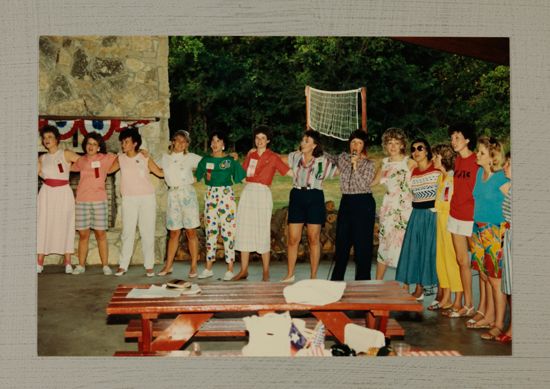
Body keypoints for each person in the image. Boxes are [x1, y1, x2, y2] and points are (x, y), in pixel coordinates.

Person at [232, 125, 291, 281]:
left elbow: (288, 172)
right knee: (244, 230)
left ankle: (266, 272)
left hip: (263, 194)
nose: (260, 141)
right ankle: (243, 270)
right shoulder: (250, 156)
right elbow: (242, 177)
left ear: (268, 140)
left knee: (262, 230)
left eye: (263, 138)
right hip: (248, 193)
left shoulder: (273, 157)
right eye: (257, 138)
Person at [281, 129, 337, 282]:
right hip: (297, 195)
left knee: (314, 238)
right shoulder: (294, 156)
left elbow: (338, 170)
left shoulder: (323, 160)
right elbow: (277, 159)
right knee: (293, 238)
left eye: (307, 141)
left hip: (315, 197)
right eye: (303, 139)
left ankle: (313, 276)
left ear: (314, 145)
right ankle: (290, 274)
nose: (303, 143)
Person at [469, 136, 509, 340]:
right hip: (478, 229)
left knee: (495, 279)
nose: (477, 154)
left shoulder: (502, 177)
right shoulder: (478, 173)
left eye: (481, 153)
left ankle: (499, 324)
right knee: (485, 275)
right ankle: (491, 315)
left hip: (494, 230)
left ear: (492, 157)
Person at [111, 128, 163, 277]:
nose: (123, 144)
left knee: (147, 232)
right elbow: (108, 171)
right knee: (127, 232)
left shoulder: (145, 156)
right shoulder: (120, 158)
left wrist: (180, 172)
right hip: (129, 199)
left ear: (134, 143)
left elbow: (159, 172)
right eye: (122, 142)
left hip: (147, 198)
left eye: (126, 141)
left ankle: (149, 266)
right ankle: (123, 265)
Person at [195, 131, 246, 280]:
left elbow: (242, 178)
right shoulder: (205, 161)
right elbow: (196, 177)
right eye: (213, 141)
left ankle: (230, 269)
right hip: (211, 196)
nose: (215, 144)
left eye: (218, 141)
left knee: (228, 232)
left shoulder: (231, 161)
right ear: (211, 144)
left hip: (226, 196)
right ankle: (208, 267)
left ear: (223, 144)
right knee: (210, 231)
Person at [395, 139, 441, 300]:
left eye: (420, 148)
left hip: (432, 215)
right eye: (413, 149)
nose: (416, 151)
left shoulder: (437, 169)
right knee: (415, 250)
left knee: (433, 251)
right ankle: (419, 288)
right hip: (417, 214)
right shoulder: (413, 172)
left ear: (427, 151)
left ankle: (441, 292)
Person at [330, 129, 376, 281]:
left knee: (362, 246)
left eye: (359, 143)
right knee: (342, 244)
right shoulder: (343, 158)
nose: (356, 145)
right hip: (346, 202)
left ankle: (363, 284)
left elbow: (364, 185)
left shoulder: (369, 164)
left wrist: (355, 166)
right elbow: (328, 157)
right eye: (353, 142)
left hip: (364, 203)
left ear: (364, 146)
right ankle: (335, 282)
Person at [156, 130, 202, 278]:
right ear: (173, 141)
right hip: (173, 195)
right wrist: (143, 156)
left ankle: (194, 266)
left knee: (190, 232)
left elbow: (210, 163)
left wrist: (228, 157)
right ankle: (168, 266)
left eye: (185, 141)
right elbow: (155, 170)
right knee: (174, 232)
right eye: (179, 140)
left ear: (187, 144)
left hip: (187, 194)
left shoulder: (191, 157)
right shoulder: (164, 158)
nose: (181, 144)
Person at [70, 132, 117, 275]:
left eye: (94, 144)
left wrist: (141, 152)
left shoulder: (106, 158)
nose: (91, 146)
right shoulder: (80, 160)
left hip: (99, 201)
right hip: (82, 201)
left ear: (98, 147)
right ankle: (81, 266)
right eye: (89, 143)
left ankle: (105, 266)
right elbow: (67, 167)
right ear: (85, 145)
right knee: (83, 235)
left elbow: (123, 158)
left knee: (100, 234)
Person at [37, 125, 80, 274]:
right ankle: (39, 262)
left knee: (66, 224)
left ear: (56, 139)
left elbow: (84, 162)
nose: (46, 140)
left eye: (50, 137)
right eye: (44, 138)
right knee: (43, 224)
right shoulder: (42, 158)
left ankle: (68, 262)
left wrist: (71, 168)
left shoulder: (66, 153)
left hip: (63, 193)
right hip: (47, 193)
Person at [373, 128, 415, 280]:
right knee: (384, 244)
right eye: (390, 143)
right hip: (389, 207)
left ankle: (404, 284)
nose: (393, 146)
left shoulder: (409, 162)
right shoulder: (384, 163)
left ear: (403, 145)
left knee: (405, 246)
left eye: (397, 143)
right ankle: (378, 282)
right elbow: (373, 182)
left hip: (405, 209)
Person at [445, 122, 478, 318]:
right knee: (461, 261)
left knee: (480, 265)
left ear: (467, 139)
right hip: (454, 215)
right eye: (452, 138)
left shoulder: (477, 160)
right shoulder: (457, 161)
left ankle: (483, 308)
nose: (453, 141)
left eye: (457, 137)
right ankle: (468, 304)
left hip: (471, 218)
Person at [429, 144, 463, 311]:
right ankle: (447, 297)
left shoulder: (454, 178)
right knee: (441, 260)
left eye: (435, 156)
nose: (433, 159)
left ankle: (458, 299)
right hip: (440, 222)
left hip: (451, 222)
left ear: (444, 158)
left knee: (452, 260)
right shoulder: (439, 178)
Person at [498, 152, 512, 343]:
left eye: (508, 163)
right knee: (509, 284)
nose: (504, 166)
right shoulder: (510, 187)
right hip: (508, 236)